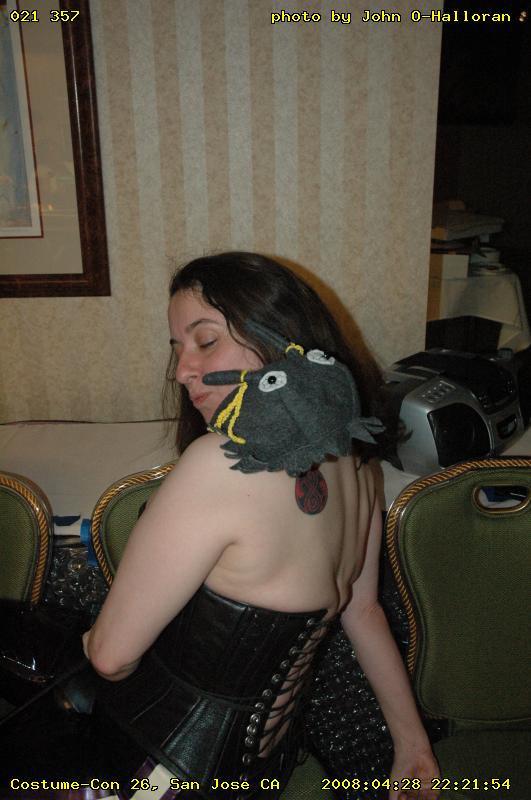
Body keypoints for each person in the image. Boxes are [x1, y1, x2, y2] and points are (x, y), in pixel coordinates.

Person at [82, 252, 439, 800]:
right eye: (177, 348)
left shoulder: (218, 465)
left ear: (284, 341)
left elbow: (111, 658)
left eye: (206, 341)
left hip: (164, 775)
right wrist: (412, 744)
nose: (181, 370)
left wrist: (90, 640)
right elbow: (363, 611)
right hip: (266, 769)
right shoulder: (357, 460)